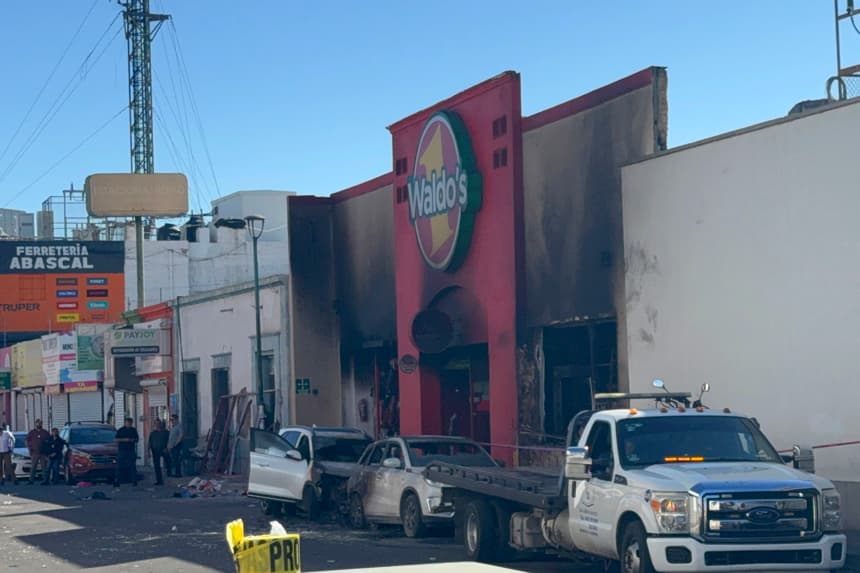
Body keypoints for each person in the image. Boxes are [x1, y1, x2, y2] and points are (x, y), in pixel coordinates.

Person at [114, 417, 139, 487]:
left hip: (131, 450)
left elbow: (137, 439)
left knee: (132, 466)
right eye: (127, 423)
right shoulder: (121, 430)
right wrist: (125, 440)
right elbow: (116, 439)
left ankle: (134, 481)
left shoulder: (133, 430)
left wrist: (131, 440)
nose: (129, 424)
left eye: (130, 423)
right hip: (122, 451)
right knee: (119, 466)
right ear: (125, 423)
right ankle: (117, 481)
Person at [26, 419, 50, 485]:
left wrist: (48, 451)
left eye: (40, 423)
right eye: (37, 423)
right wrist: (29, 449)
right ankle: (31, 480)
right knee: (33, 467)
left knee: (44, 467)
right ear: (35, 424)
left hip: (43, 453)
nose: (39, 424)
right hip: (34, 452)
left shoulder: (45, 432)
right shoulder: (32, 432)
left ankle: (45, 480)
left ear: (42, 424)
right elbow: (27, 441)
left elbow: (49, 442)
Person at [148, 419, 171, 485]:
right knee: (157, 466)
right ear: (155, 424)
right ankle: (159, 480)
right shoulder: (153, 433)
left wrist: (167, 448)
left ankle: (169, 475)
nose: (157, 425)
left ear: (161, 424)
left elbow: (170, 441)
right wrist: (148, 451)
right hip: (155, 450)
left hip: (164, 449)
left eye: (159, 423)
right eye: (156, 424)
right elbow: (149, 442)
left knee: (168, 462)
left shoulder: (166, 432)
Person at [167, 414, 184, 478]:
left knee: (176, 460)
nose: (171, 421)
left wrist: (176, 444)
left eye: (172, 419)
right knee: (173, 460)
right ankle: (175, 473)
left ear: (176, 419)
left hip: (176, 447)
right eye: (171, 420)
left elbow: (181, 435)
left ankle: (178, 474)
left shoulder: (179, 426)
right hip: (171, 447)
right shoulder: (173, 427)